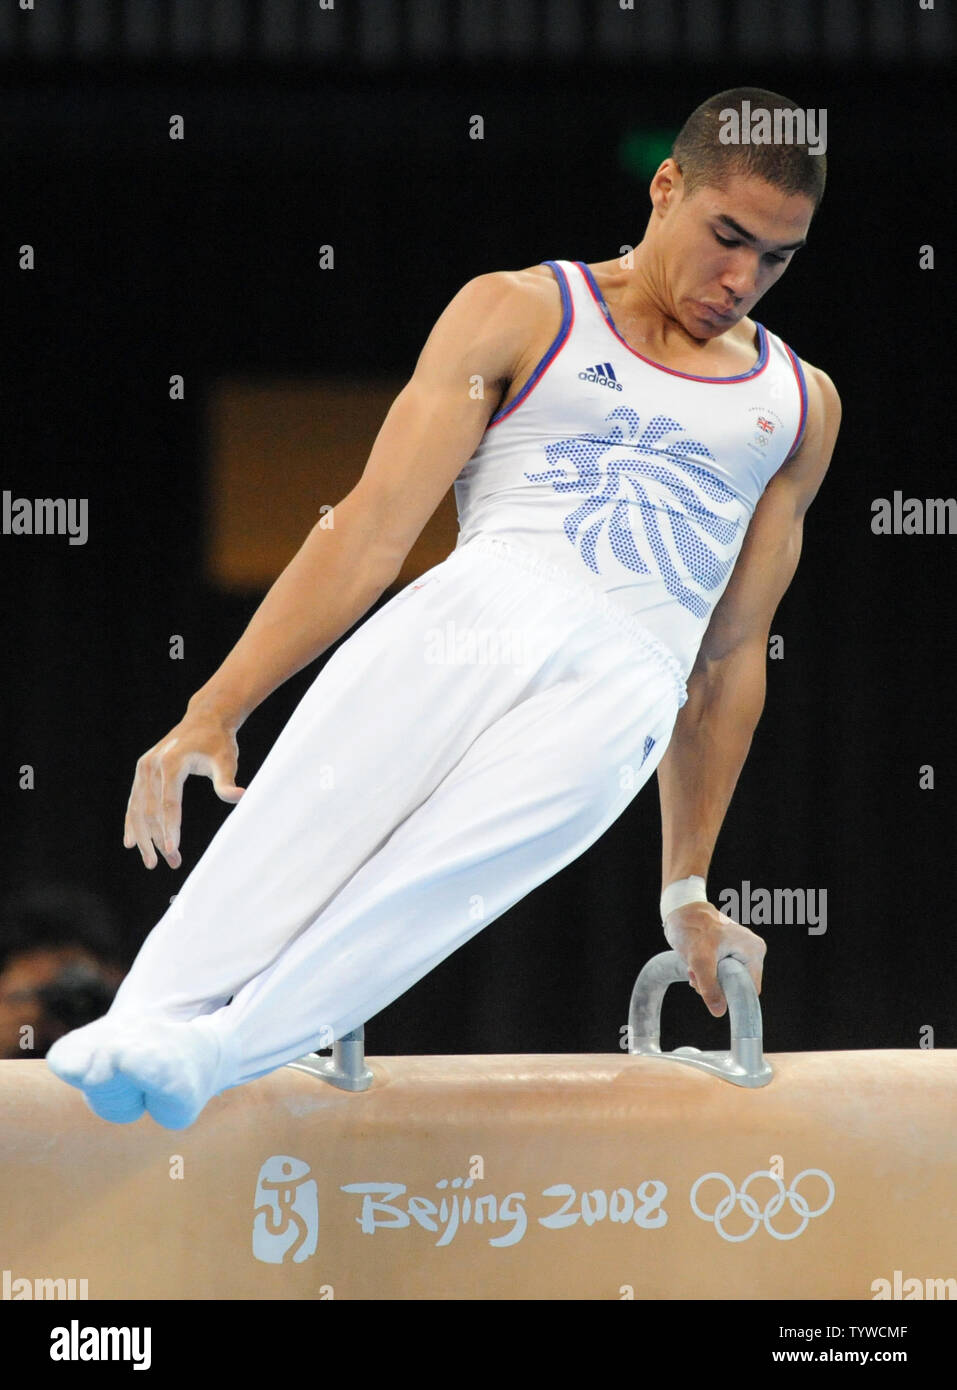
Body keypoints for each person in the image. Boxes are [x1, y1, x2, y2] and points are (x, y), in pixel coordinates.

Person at [47, 86, 841, 1129]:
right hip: (482, 604)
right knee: (303, 821)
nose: (743, 280)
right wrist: (219, 703)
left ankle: (218, 1050)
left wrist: (682, 887)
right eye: (727, 236)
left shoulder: (797, 404)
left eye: (777, 258)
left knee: (432, 885)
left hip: (628, 687)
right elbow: (371, 527)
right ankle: (145, 1018)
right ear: (665, 187)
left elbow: (730, 658)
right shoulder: (521, 311)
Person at [0, 884, 125, 1059]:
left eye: (75, 976)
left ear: (115, 974)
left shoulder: (132, 1006)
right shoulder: (18, 1021)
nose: (74, 1002)